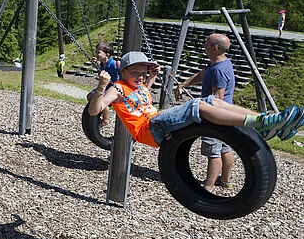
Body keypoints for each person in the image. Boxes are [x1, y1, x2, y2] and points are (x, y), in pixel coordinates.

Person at [87, 51, 304, 152]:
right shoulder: (117, 89)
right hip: (150, 129)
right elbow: (95, 110)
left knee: (211, 100)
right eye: (136, 72)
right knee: (198, 105)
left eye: (143, 73)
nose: (141, 77)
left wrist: (150, 75)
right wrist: (100, 86)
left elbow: (143, 91)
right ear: (123, 71)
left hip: (158, 123)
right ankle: (261, 124)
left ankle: (265, 122)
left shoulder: (139, 86)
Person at [174, 33, 236, 191]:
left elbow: (217, 98)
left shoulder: (219, 70)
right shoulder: (218, 63)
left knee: (213, 151)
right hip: (226, 115)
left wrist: (201, 107)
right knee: (225, 148)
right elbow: (202, 74)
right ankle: (225, 181)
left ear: (215, 48)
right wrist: (183, 85)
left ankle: (208, 187)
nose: (204, 44)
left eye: (206, 43)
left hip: (216, 117)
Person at [85, 42, 120, 130]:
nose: (96, 54)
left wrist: (120, 67)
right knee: (89, 96)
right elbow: (101, 69)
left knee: (100, 100)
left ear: (107, 55)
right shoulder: (102, 63)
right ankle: (98, 115)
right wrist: (97, 63)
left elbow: (121, 71)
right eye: (96, 52)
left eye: (98, 52)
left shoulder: (113, 64)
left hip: (111, 88)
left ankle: (105, 119)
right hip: (104, 86)